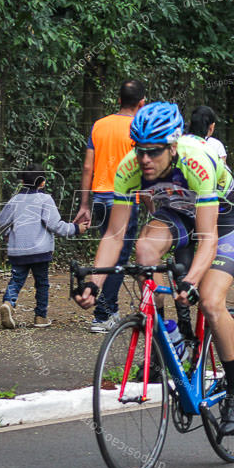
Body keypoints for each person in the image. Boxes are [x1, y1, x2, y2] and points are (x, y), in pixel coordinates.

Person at [74, 102, 234, 434]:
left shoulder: (196, 162)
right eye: (139, 151)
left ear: (172, 146)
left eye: (153, 152)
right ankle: (169, 333)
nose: (144, 160)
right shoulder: (129, 168)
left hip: (221, 220)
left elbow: (208, 238)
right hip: (177, 213)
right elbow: (114, 235)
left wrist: (193, 281)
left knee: (211, 301)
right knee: (143, 247)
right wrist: (94, 282)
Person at [74, 80, 146, 332]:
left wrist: (84, 203)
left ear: (118, 100)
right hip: (125, 198)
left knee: (110, 249)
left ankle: (108, 308)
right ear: (141, 103)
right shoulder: (138, 128)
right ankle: (104, 314)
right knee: (120, 256)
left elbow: (87, 167)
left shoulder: (99, 125)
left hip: (100, 196)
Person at [0, 164, 89, 329]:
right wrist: (76, 229)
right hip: (40, 251)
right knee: (42, 283)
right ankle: (40, 317)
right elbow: (55, 225)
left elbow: (2, 221)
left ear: (22, 181)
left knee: (16, 280)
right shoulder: (45, 199)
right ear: (43, 183)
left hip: (18, 250)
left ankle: (8, 304)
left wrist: (8, 234)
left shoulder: (15, 200)